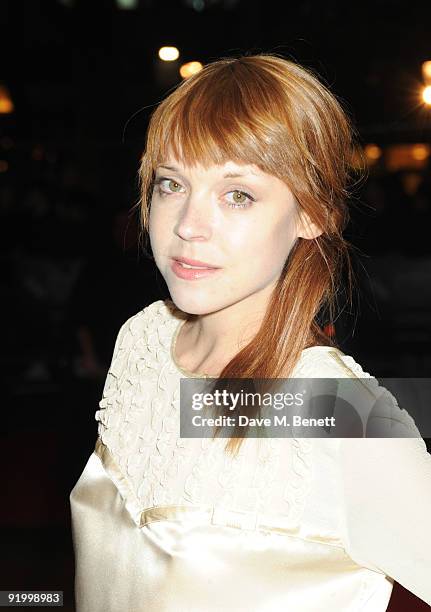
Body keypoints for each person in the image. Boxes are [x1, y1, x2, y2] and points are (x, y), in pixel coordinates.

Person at [69, 53, 431, 611]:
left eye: (237, 194)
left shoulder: (328, 407)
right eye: (171, 184)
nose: (188, 224)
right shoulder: (144, 339)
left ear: (312, 214)